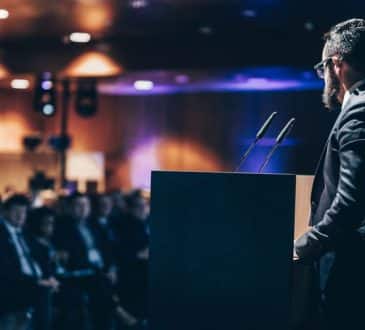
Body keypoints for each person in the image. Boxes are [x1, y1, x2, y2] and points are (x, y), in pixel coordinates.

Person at [294, 18, 365, 330]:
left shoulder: (359, 109)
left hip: (350, 265)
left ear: (336, 64)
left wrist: (310, 242)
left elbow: (352, 199)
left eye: (322, 68)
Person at [0, 195, 58, 330]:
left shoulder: (26, 233)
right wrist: (35, 282)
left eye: (24, 212)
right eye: (16, 211)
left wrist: (49, 277)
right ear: (5, 212)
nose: (20, 216)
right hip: (15, 284)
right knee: (42, 292)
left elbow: (41, 257)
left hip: (35, 282)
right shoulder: (2, 235)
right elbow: (5, 269)